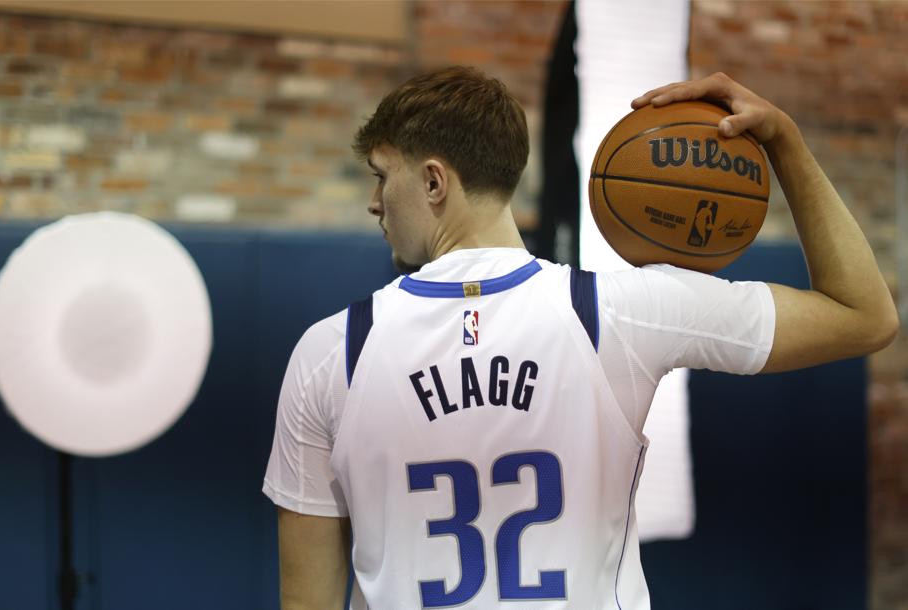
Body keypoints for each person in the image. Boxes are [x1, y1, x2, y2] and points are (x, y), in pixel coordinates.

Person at [263, 66, 898, 610]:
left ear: (434, 182)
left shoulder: (331, 352)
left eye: (381, 175)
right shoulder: (619, 312)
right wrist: (783, 141)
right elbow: (864, 315)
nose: (375, 201)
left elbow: (309, 603)